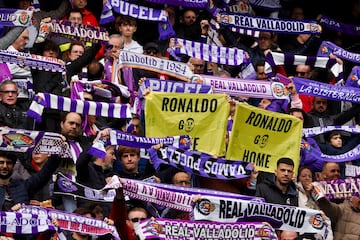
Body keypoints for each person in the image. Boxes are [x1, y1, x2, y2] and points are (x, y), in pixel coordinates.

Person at [0, 150, 61, 239]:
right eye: (1, 162)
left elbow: (45, 173)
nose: (5, 166)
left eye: (8, 163)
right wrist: (11, 212)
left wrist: (57, 150)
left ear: (13, 166)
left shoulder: (22, 186)